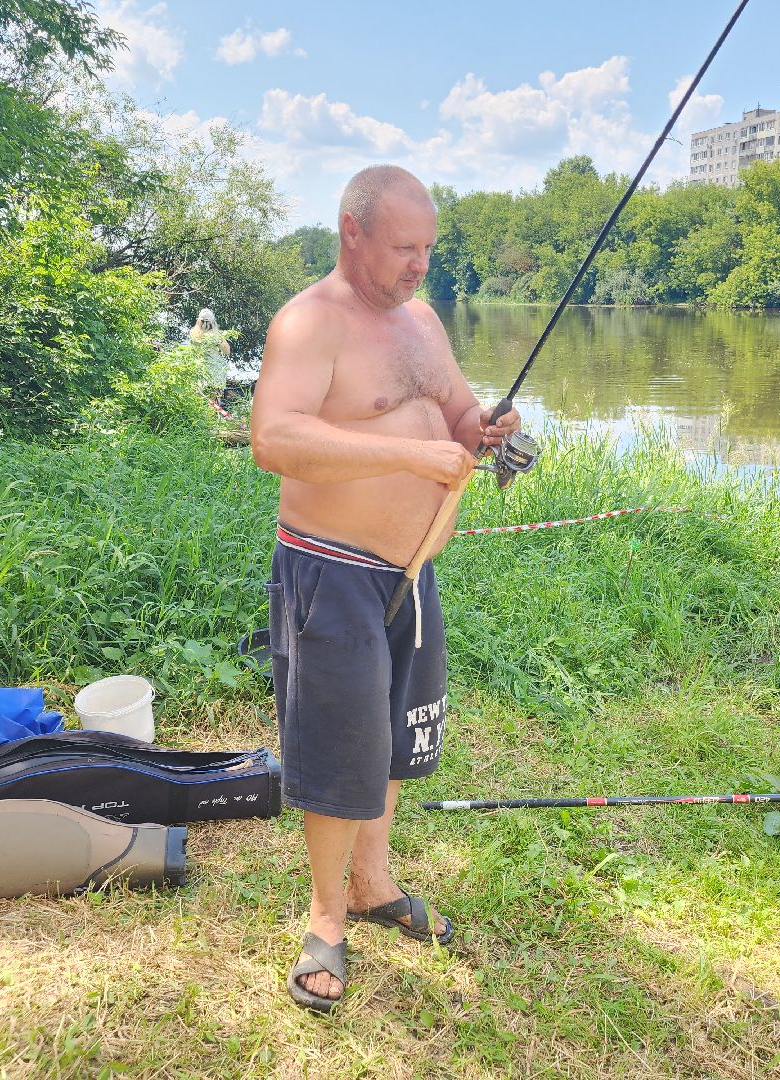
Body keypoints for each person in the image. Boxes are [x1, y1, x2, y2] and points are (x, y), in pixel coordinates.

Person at [249, 165, 521, 1013]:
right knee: (339, 747)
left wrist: (489, 431)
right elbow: (274, 439)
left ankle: (373, 883)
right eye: (404, 247)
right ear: (352, 232)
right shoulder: (310, 322)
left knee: (397, 737)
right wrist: (409, 454)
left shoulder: (423, 321)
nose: (419, 265)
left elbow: (457, 413)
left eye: (428, 248)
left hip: (413, 571)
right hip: (331, 569)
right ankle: (325, 917)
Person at [189, 307, 232, 405]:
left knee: (200, 402)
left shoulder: (193, 333)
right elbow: (227, 351)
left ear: (198, 321)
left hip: (199, 372)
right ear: (213, 322)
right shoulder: (216, 335)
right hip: (215, 374)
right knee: (214, 403)